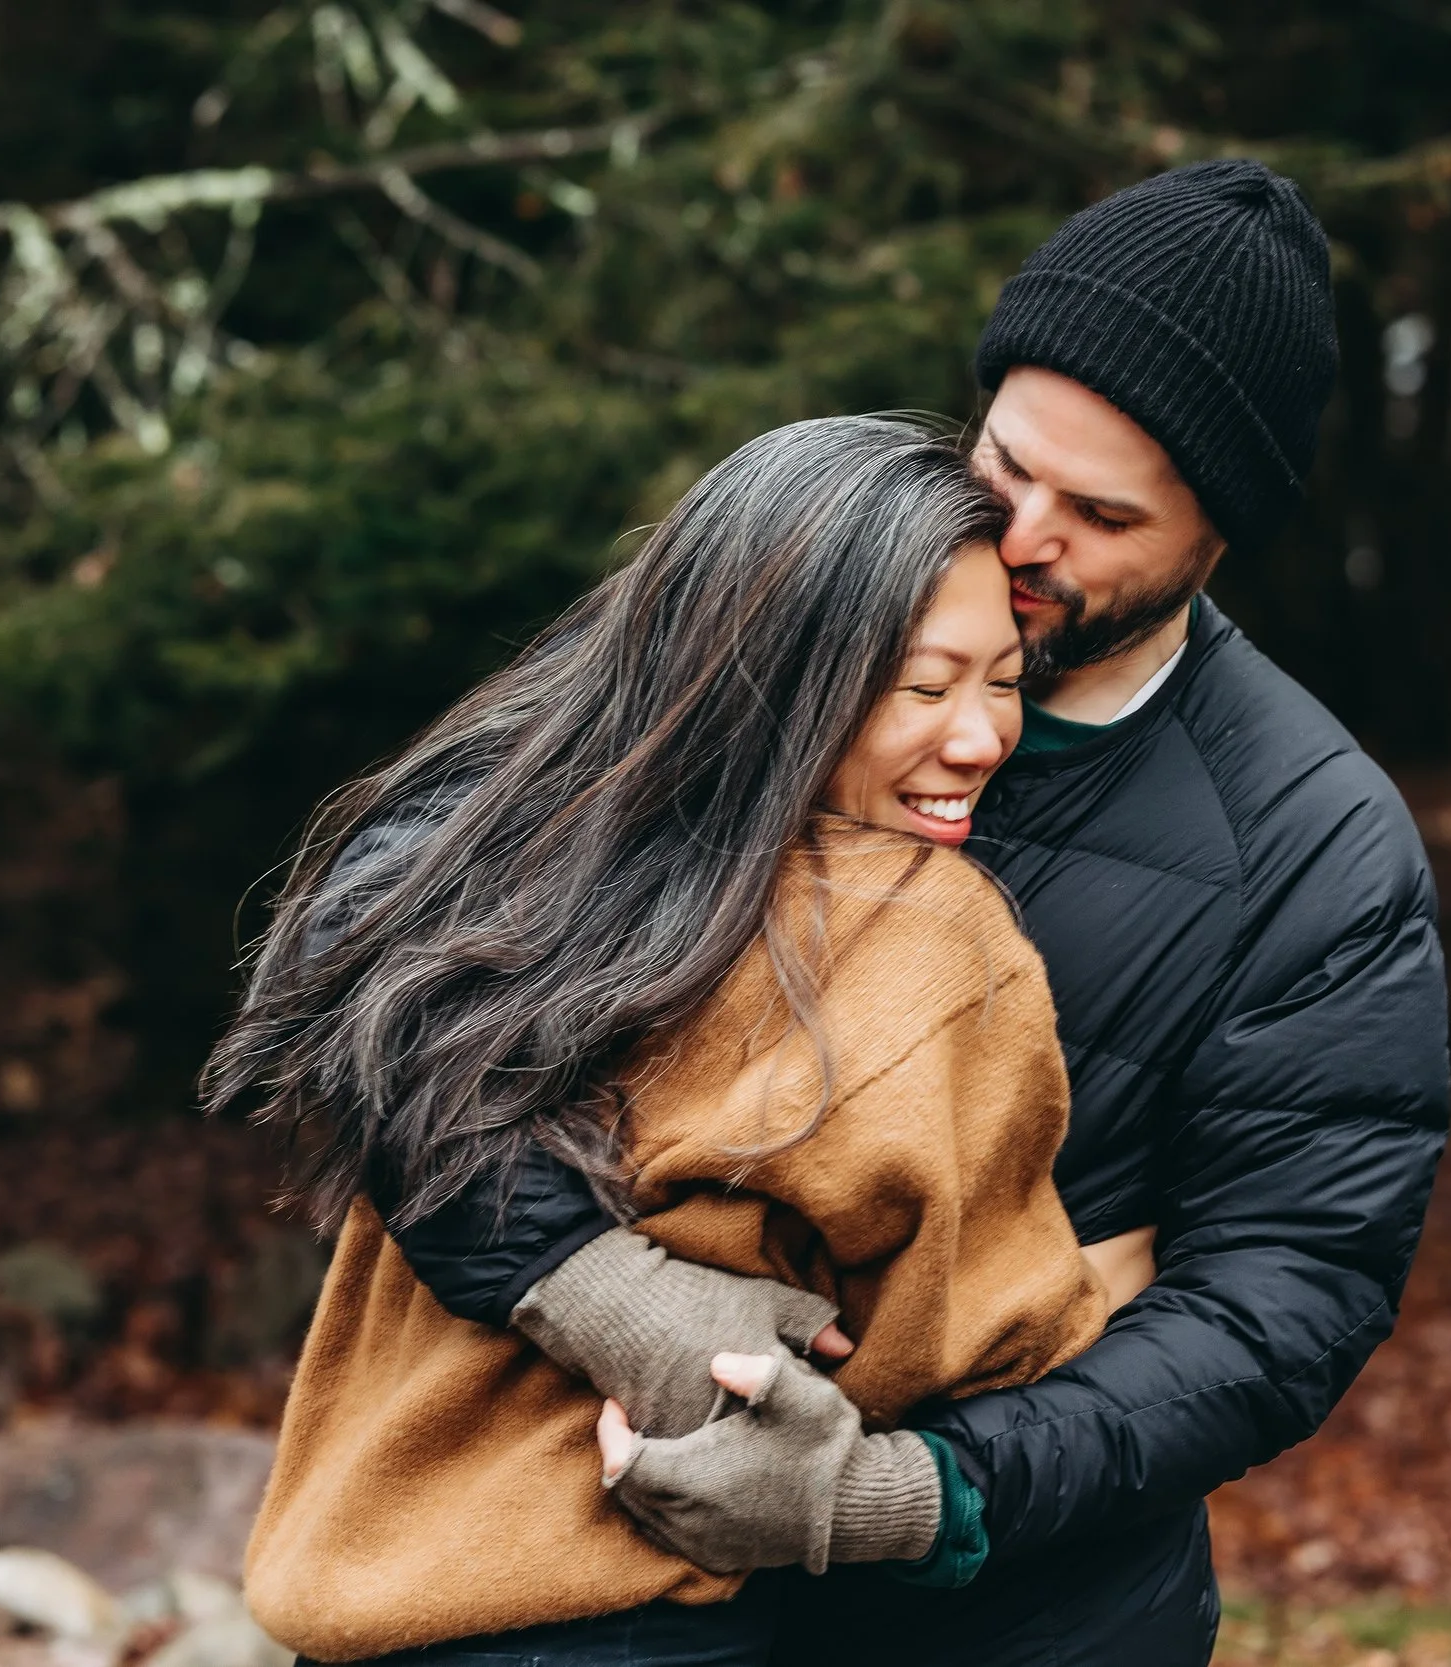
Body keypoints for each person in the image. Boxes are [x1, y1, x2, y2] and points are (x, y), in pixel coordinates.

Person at [383, 161, 1451, 1664]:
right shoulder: (795, 605)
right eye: (1006, 462)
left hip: (1021, 1618)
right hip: (588, 1572)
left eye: (1098, 514)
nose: (1018, 539)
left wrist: (914, 1493)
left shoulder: (1314, 844)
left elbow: (1285, 1298)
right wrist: (592, 1282)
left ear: (1221, 537)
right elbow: (389, 944)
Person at [207, 418, 1156, 1665]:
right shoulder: (922, 938)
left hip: (373, 1595)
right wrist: (1108, 1279)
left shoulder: (515, 892)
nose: (981, 737)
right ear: (775, 668)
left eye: (1005, 680)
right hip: (629, 1616)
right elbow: (962, 1338)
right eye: (925, 685)